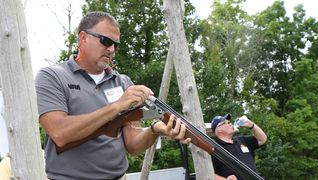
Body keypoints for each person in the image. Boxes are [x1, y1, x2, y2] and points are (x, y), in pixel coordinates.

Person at [35, 11, 191, 180]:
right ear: (83, 38)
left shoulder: (123, 83)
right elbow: (60, 133)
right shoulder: (52, 76)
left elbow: (133, 145)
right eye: (106, 41)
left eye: (115, 45)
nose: (111, 50)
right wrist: (118, 105)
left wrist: (155, 130)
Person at [210, 114, 267, 180]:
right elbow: (208, 173)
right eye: (226, 122)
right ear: (218, 129)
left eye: (229, 122)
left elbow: (262, 139)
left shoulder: (242, 140)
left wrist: (251, 125)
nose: (230, 123)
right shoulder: (213, 149)